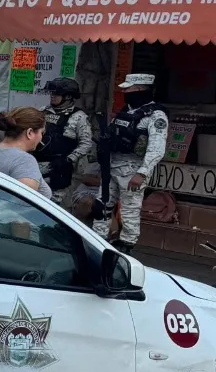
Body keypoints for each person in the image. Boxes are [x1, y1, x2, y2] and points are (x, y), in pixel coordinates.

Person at [95, 73, 169, 252]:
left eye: (129, 88)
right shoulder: (125, 110)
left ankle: (126, 246)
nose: (125, 91)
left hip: (133, 170)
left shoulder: (155, 116)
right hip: (112, 166)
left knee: (129, 211)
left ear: (141, 89)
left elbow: (156, 149)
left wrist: (142, 173)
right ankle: (97, 241)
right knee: (102, 205)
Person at [36, 76, 95, 194]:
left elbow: (86, 143)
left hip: (59, 168)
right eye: (51, 93)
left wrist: (68, 160)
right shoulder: (43, 111)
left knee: (53, 201)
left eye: (56, 93)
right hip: (37, 162)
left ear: (68, 96)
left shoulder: (79, 117)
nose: (52, 96)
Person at [0, 107, 51, 197]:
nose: (41, 138)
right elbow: (21, 203)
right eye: (41, 133)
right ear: (30, 133)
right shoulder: (24, 160)